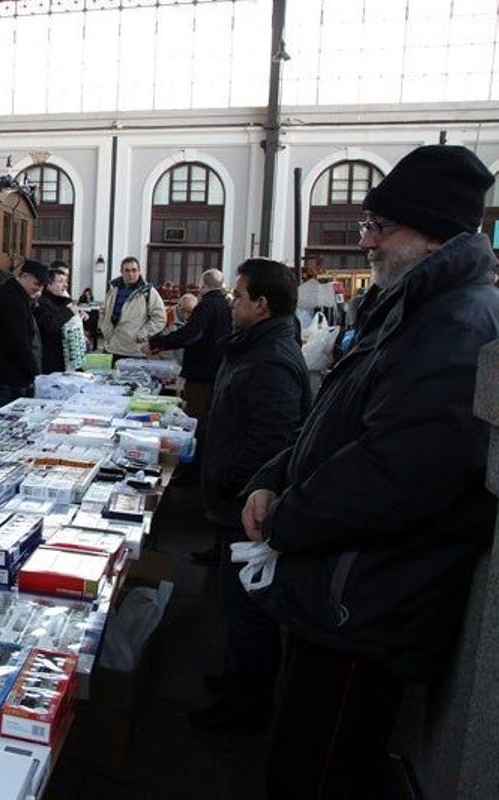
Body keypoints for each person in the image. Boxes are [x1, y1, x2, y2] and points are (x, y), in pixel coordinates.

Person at [241, 145, 499, 797]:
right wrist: (272, 475)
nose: (365, 243)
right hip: (346, 594)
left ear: (430, 233)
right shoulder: (413, 311)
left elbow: (397, 473)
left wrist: (288, 521)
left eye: (378, 228)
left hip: (367, 606)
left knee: (319, 774)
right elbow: (334, 418)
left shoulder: (456, 326)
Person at [188, 259, 310, 734]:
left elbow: (274, 437)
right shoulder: (256, 347)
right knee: (234, 605)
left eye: (238, 296)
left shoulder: (272, 358)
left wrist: (229, 480)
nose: (231, 303)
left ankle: (246, 706)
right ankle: (235, 681)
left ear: (261, 304)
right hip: (233, 501)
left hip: (246, 504)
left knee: (247, 610)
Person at [147, 268, 232, 450]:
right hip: (217, 372)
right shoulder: (225, 306)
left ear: (203, 286)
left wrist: (158, 343)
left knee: (196, 420)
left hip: (201, 375)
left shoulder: (206, 306)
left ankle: (192, 464)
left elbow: (191, 334)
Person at [0, 260, 49, 416]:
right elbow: (20, 344)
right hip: (10, 379)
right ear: (24, 276)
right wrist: (35, 374)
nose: (38, 289)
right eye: (37, 283)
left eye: (42, 286)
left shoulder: (0, 293)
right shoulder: (14, 301)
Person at [98, 256, 166, 361]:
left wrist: (143, 333)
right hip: (112, 348)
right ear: (121, 272)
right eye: (127, 270)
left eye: (134, 270)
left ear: (139, 271)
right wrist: (106, 331)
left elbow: (160, 318)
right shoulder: (113, 291)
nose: (131, 274)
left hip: (135, 351)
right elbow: (103, 312)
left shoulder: (148, 292)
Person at [35, 264, 81, 374]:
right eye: (60, 281)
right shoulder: (42, 302)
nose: (65, 285)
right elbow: (50, 325)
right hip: (49, 361)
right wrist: (69, 312)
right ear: (49, 284)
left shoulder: (60, 300)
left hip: (63, 359)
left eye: (66, 281)